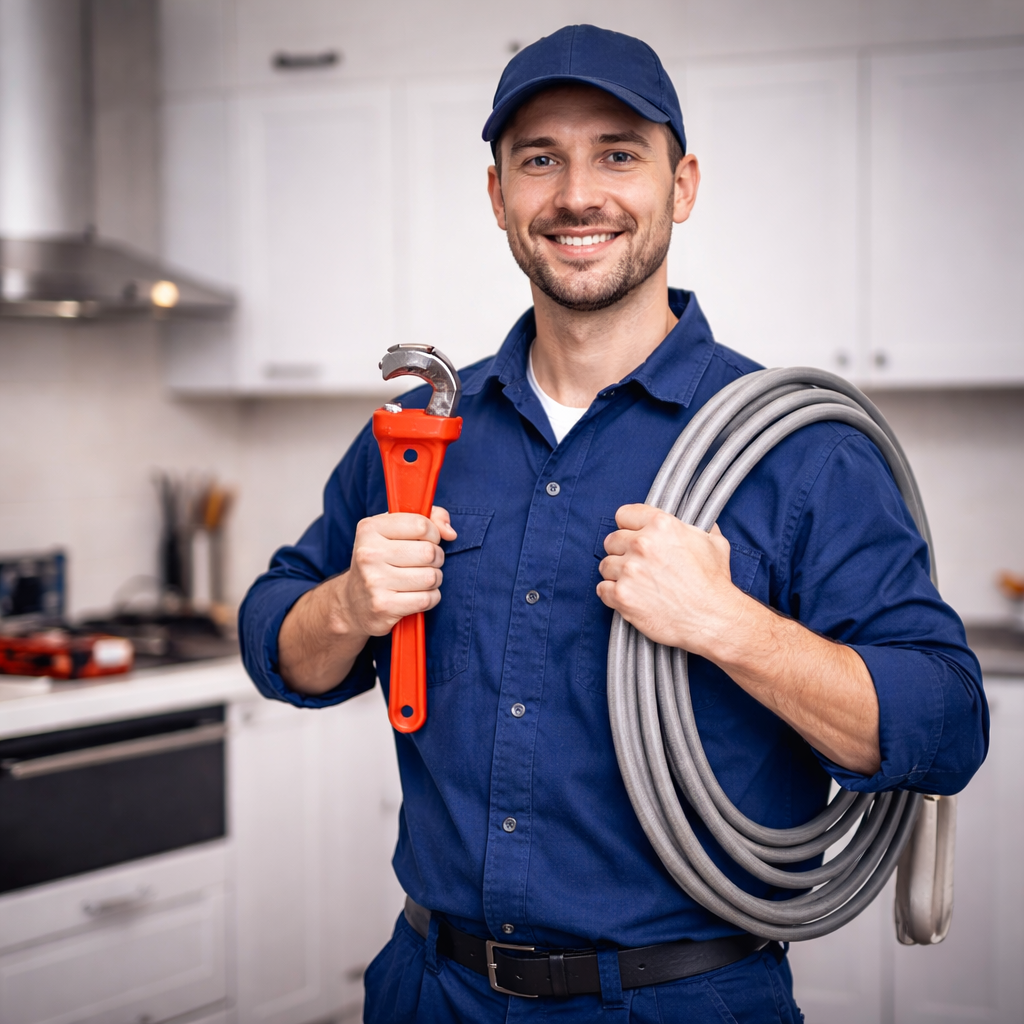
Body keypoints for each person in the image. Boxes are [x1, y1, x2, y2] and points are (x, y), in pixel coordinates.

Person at [239, 24, 987, 1023]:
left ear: (682, 186)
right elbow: (273, 640)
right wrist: (344, 605)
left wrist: (729, 625)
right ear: (498, 195)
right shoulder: (420, 438)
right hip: (432, 991)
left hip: (681, 1001)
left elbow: (946, 723)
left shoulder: (800, 450)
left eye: (619, 155)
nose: (577, 195)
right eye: (539, 159)